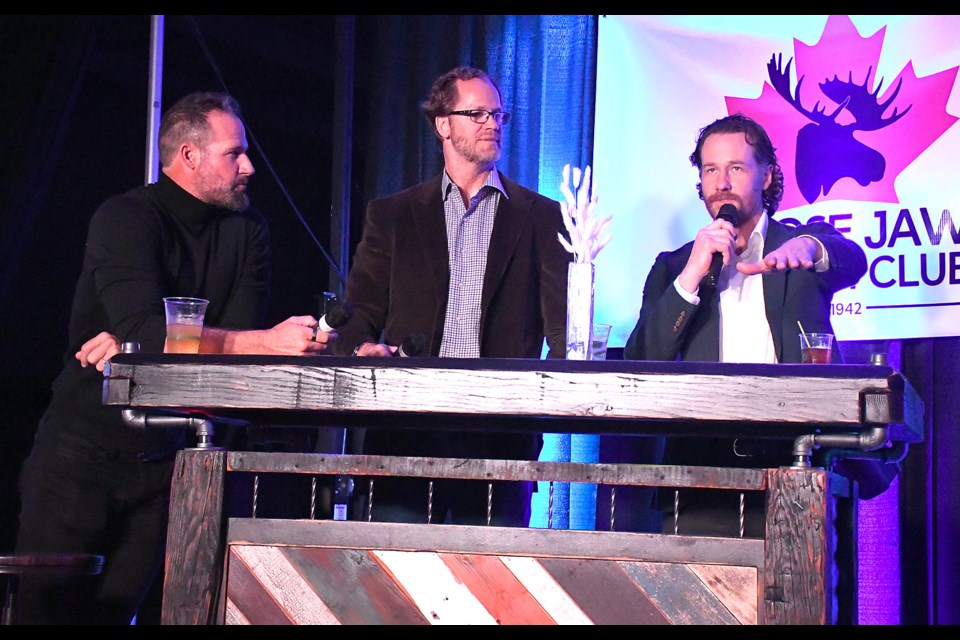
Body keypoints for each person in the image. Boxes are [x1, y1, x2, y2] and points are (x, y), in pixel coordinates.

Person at [14, 91, 335, 625]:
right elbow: (152, 330)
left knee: (120, 614)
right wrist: (260, 340)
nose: (249, 167)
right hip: (83, 453)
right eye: (235, 154)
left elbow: (206, 359)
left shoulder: (247, 230)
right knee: (46, 614)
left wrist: (148, 345)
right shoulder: (127, 217)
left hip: (169, 458)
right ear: (189, 156)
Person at [333, 66, 571, 527]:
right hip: (406, 429)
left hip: (499, 435)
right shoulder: (394, 214)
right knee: (394, 583)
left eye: (499, 114)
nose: (492, 123)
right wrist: (364, 348)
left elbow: (561, 328)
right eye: (477, 113)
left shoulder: (541, 216)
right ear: (443, 124)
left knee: (494, 585)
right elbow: (358, 312)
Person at [623, 113, 870, 537]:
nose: (721, 182)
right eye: (710, 170)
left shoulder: (798, 245)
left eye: (736, 168)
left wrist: (810, 247)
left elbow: (851, 259)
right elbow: (641, 359)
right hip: (699, 478)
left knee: (793, 601)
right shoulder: (675, 267)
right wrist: (691, 277)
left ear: (767, 176)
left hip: (794, 466)